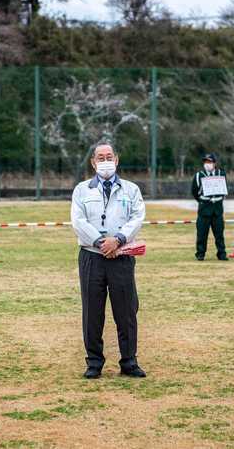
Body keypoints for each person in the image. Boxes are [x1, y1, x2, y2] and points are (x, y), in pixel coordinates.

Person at [71, 143, 146, 379]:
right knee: (92, 312)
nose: (105, 161)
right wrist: (101, 243)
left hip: (122, 257)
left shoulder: (131, 189)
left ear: (117, 159)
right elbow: (78, 221)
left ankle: (129, 361)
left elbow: (137, 217)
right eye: (100, 157)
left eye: (109, 156)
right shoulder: (82, 190)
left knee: (126, 311)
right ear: (93, 162)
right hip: (92, 257)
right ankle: (94, 362)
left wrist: (119, 239)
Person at [191, 153, 228, 261]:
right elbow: (194, 191)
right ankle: (200, 254)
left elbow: (224, 189)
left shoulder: (221, 173)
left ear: (214, 163)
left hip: (217, 209)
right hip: (204, 209)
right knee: (202, 233)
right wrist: (202, 201)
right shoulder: (199, 175)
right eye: (206, 162)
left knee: (219, 234)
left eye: (210, 162)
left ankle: (222, 254)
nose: (207, 164)